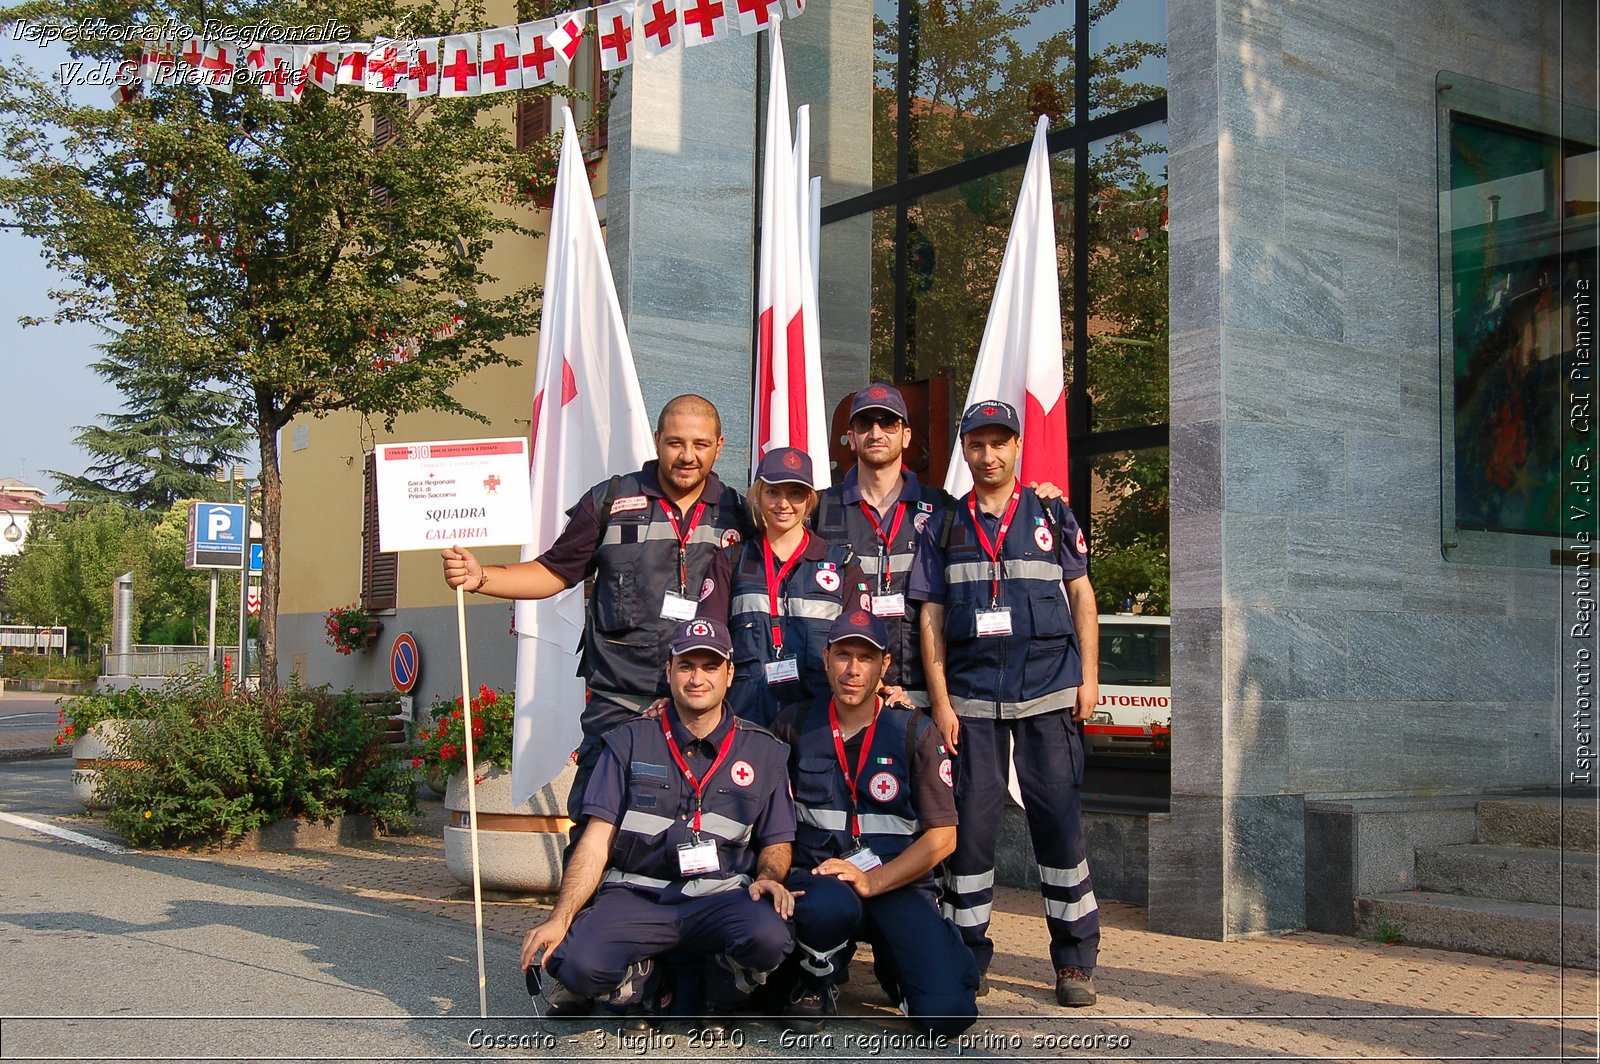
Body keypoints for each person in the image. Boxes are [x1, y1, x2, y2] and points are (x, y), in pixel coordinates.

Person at [440, 394, 748, 824]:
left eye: (700, 444)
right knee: (597, 822)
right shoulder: (611, 501)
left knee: (696, 824)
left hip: (702, 705)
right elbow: (553, 571)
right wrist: (481, 578)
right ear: (657, 440)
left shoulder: (740, 514)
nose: (687, 456)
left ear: (720, 445)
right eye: (676, 442)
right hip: (619, 703)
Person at [908, 399, 1102, 1008]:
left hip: (1048, 694)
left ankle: (1074, 962)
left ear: (1017, 446)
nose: (988, 456)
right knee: (971, 838)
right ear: (963, 450)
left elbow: (1081, 594)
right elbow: (931, 617)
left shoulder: (1050, 509)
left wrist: (1090, 677)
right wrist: (941, 704)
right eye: (976, 445)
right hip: (972, 705)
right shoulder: (943, 524)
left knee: (1059, 828)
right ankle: (966, 956)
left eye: (1000, 443)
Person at [519, 617, 798, 1028]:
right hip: (637, 897)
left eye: (710, 666)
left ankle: (716, 986)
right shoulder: (629, 740)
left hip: (719, 898)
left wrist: (770, 875)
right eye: (686, 665)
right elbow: (595, 842)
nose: (697, 678)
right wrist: (560, 918)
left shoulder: (764, 750)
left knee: (770, 936)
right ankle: (641, 979)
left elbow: (776, 840)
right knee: (573, 965)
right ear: (668, 671)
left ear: (729, 673)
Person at [770, 610, 978, 1036]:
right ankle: (815, 976)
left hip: (895, 883)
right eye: (843, 655)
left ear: (884, 666)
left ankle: (900, 962)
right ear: (826, 658)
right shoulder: (793, 724)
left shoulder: (913, 730)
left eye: (866, 658)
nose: (852, 669)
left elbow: (943, 837)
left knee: (948, 1015)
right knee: (826, 907)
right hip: (821, 883)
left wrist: (874, 881)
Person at [812, 382, 1065, 704]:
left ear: (905, 435)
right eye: (865, 423)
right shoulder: (818, 511)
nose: (876, 432)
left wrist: (1040, 500)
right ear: (851, 435)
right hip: (845, 689)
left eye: (888, 422)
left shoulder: (944, 511)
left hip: (922, 693)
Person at [697, 447, 859, 728]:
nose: (784, 504)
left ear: (809, 500)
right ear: (758, 496)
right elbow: (708, 645)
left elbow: (858, 646)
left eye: (795, 493)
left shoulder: (842, 564)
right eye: (773, 492)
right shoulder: (730, 561)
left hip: (820, 723)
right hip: (745, 721)